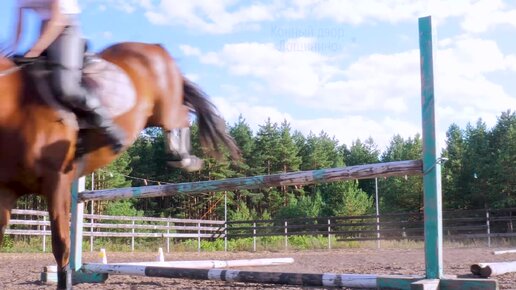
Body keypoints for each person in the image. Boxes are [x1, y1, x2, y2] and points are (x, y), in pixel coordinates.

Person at [6, 0, 125, 154]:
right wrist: (10, 48)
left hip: (65, 29)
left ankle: (109, 128)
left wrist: (34, 51)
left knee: (66, 88)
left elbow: (58, 20)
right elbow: (19, 25)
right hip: (44, 29)